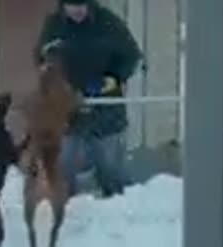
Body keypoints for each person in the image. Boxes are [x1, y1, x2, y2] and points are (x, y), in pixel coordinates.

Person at [33, 0, 142, 198]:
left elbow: (132, 56)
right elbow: (40, 59)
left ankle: (118, 209)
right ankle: (66, 213)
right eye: (72, 6)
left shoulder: (108, 23)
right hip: (66, 113)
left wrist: (113, 79)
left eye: (82, 6)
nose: (77, 11)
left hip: (105, 110)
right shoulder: (54, 26)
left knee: (111, 169)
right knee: (63, 166)